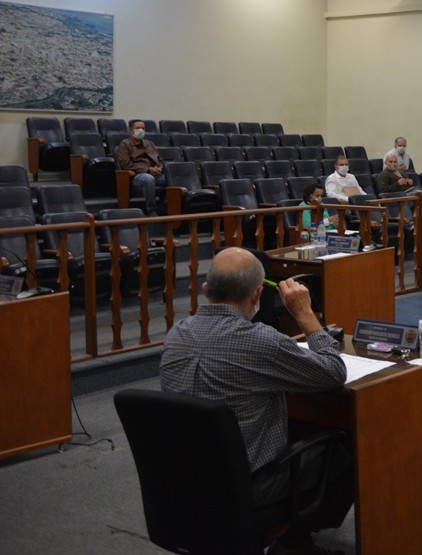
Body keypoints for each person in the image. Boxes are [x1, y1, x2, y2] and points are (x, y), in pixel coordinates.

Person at [160, 248, 353, 555]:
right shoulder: (259, 340)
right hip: (246, 488)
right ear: (257, 295)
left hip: (183, 483)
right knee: (346, 447)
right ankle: (290, 540)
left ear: (206, 290)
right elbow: (333, 372)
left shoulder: (176, 335)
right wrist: (305, 314)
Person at [114, 119, 166, 215]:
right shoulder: (125, 144)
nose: (141, 130)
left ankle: (164, 208)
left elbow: (159, 159)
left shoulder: (149, 143)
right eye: (138, 128)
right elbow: (126, 164)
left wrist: (160, 167)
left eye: (143, 128)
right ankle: (152, 211)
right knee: (148, 178)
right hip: (137, 175)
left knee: (171, 178)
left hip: (155, 174)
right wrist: (148, 169)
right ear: (131, 131)